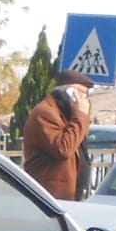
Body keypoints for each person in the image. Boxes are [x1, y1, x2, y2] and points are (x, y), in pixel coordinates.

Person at [22, 68, 93, 200]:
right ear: (70, 93)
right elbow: (63, 148)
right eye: (82, 93)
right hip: (49, 198)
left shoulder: (68, 115)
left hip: (68, 197)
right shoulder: (45, 113)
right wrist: (80, 114)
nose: (85, 100)